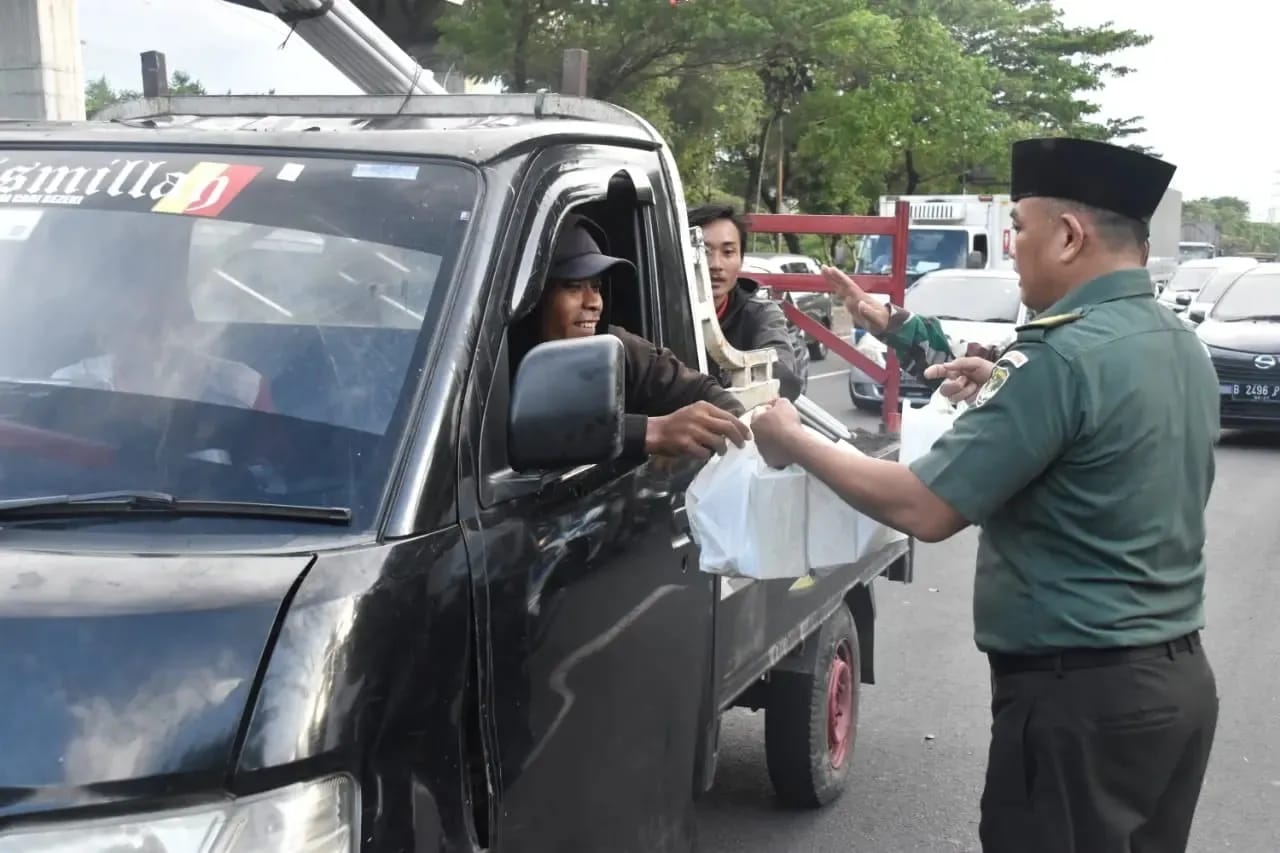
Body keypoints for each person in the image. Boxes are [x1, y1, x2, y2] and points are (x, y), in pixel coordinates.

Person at [751, 137, 1220, 853]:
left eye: (1021, 228)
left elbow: (923, 506)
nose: (1012, 245)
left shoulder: (1058, 356)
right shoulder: (1177, 342)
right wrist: (993, 373)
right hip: (1174, 689)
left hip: (1078, 705)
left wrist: (794, 438)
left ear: (1068, 236)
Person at [514, 215, 750, 461]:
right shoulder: (490, 362)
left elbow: (705, 393)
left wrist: (717, 428)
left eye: (596, 287)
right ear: (535, 296)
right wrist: (650, 432)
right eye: (573, 287)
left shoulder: (614, 346)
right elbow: (513, 436)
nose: (593, 302)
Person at [687, 205, 806, 400]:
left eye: (728, 252)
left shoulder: (760, 314)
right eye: (705, 252)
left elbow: (783, 378)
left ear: (741, 259)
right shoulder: (658, 309)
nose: (716, 265)